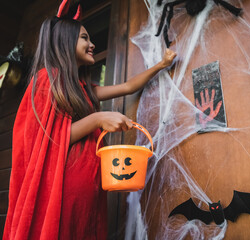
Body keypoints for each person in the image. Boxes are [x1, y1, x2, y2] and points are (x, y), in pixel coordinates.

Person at [3, 1, 176, 239]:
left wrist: (162, 65)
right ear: (65, 40)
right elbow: (48, 140)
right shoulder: (47, 80)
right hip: (64, 189)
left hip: (91, 188)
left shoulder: (84, 89)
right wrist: (97, 119)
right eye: (85, 38)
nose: (92, 44)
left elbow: (127, 86)